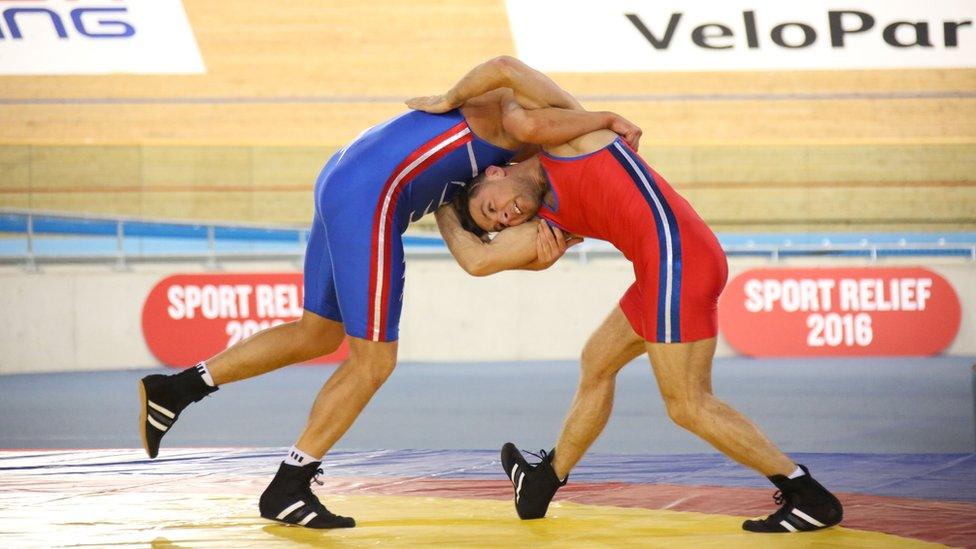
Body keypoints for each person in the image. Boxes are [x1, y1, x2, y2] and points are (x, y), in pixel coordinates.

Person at [137, 56, 641, 529]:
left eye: (510, 217)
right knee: (374, 361)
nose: (509, 215)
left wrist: (534, 258)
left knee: (316, 334)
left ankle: (176, 390)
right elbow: (508, 72)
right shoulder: (517, 124)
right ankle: (288, 487)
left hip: (342, 177)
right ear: (493, 171)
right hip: (371, 195)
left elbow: (476, 255)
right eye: (498, 211)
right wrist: (596, 122)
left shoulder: (497, 177)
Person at [420, 60, 844, 534]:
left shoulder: (566, 133)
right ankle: (542, 482)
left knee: (688, 403)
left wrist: (449, 99)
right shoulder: (546, 221)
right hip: (664, 265)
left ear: (498, 171)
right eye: (499, 223)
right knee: (597, 360)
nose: (507, 215)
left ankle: (806, 495)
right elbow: (477, 262)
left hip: (675, 258)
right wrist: (442, 204)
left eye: (492, 205)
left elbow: (504, 70)